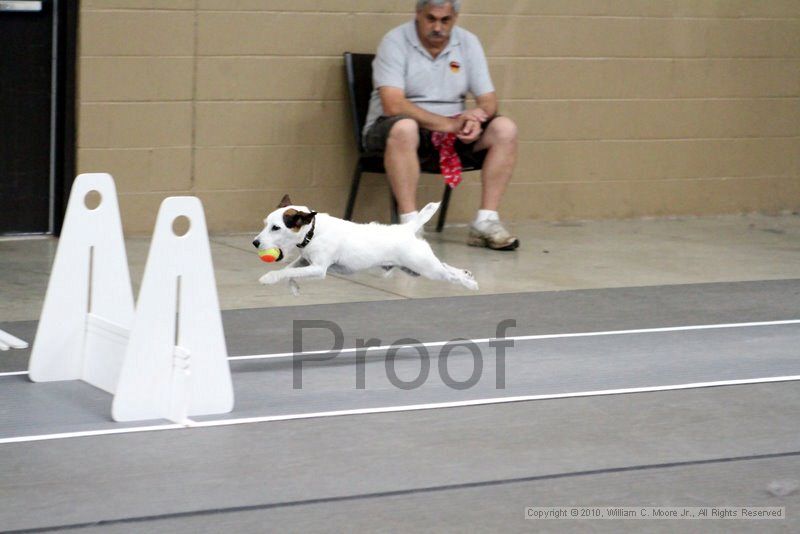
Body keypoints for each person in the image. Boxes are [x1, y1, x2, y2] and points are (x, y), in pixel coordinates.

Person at [363, 0, 519, 250]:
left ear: (455, 18)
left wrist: (476, 118)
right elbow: (393, 105)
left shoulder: (468, 42)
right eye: (431, 19)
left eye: (445, 20)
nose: (437, 27)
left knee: (505, 128)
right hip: (395, 129)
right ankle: (409, 227)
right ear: (418, 14)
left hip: (453, 131)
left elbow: (489, 100)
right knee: (405, 128)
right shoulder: (394, 41)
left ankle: (486, 222)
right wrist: (449, 125)